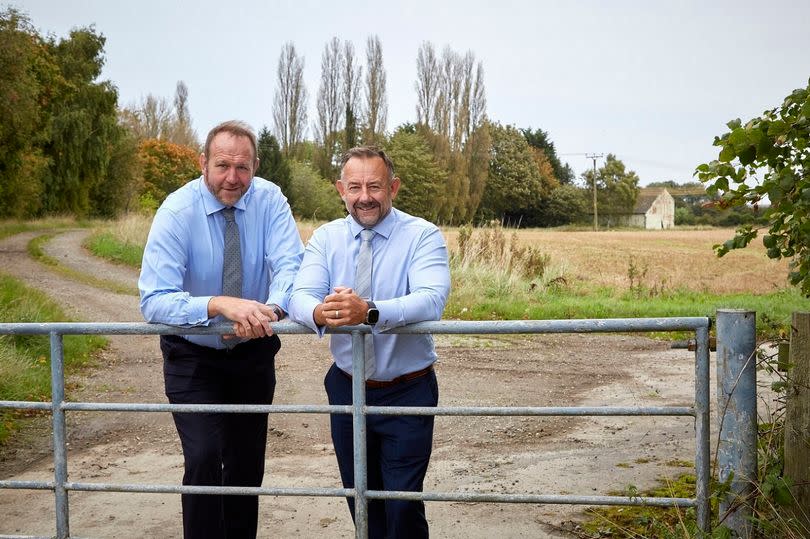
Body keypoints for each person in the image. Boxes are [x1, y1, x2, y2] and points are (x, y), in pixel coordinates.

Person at [138, 120, 304, 538]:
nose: (233, 177)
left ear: (256, 166)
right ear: (203, 164)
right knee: (205, 457)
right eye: (223, 165)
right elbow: (153, 299)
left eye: (243, 167)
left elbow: (290, 265)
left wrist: (272, 309)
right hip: (192, 354)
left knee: (247, 466)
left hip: (254, 352)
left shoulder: (271, 201)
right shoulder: (176, 211)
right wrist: (215, 304)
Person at [288, 146, 451, 538]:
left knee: (401, 504)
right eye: (355, 187)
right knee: (360, 498)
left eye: (375, 186)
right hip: (346, 386)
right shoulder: (326, 238)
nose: (365, 196)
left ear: (392, 187)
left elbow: (432, 298)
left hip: (407, 390)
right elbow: (299, 295)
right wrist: (321, 313)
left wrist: (369, 312)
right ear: (340, 189)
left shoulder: (422, 235)